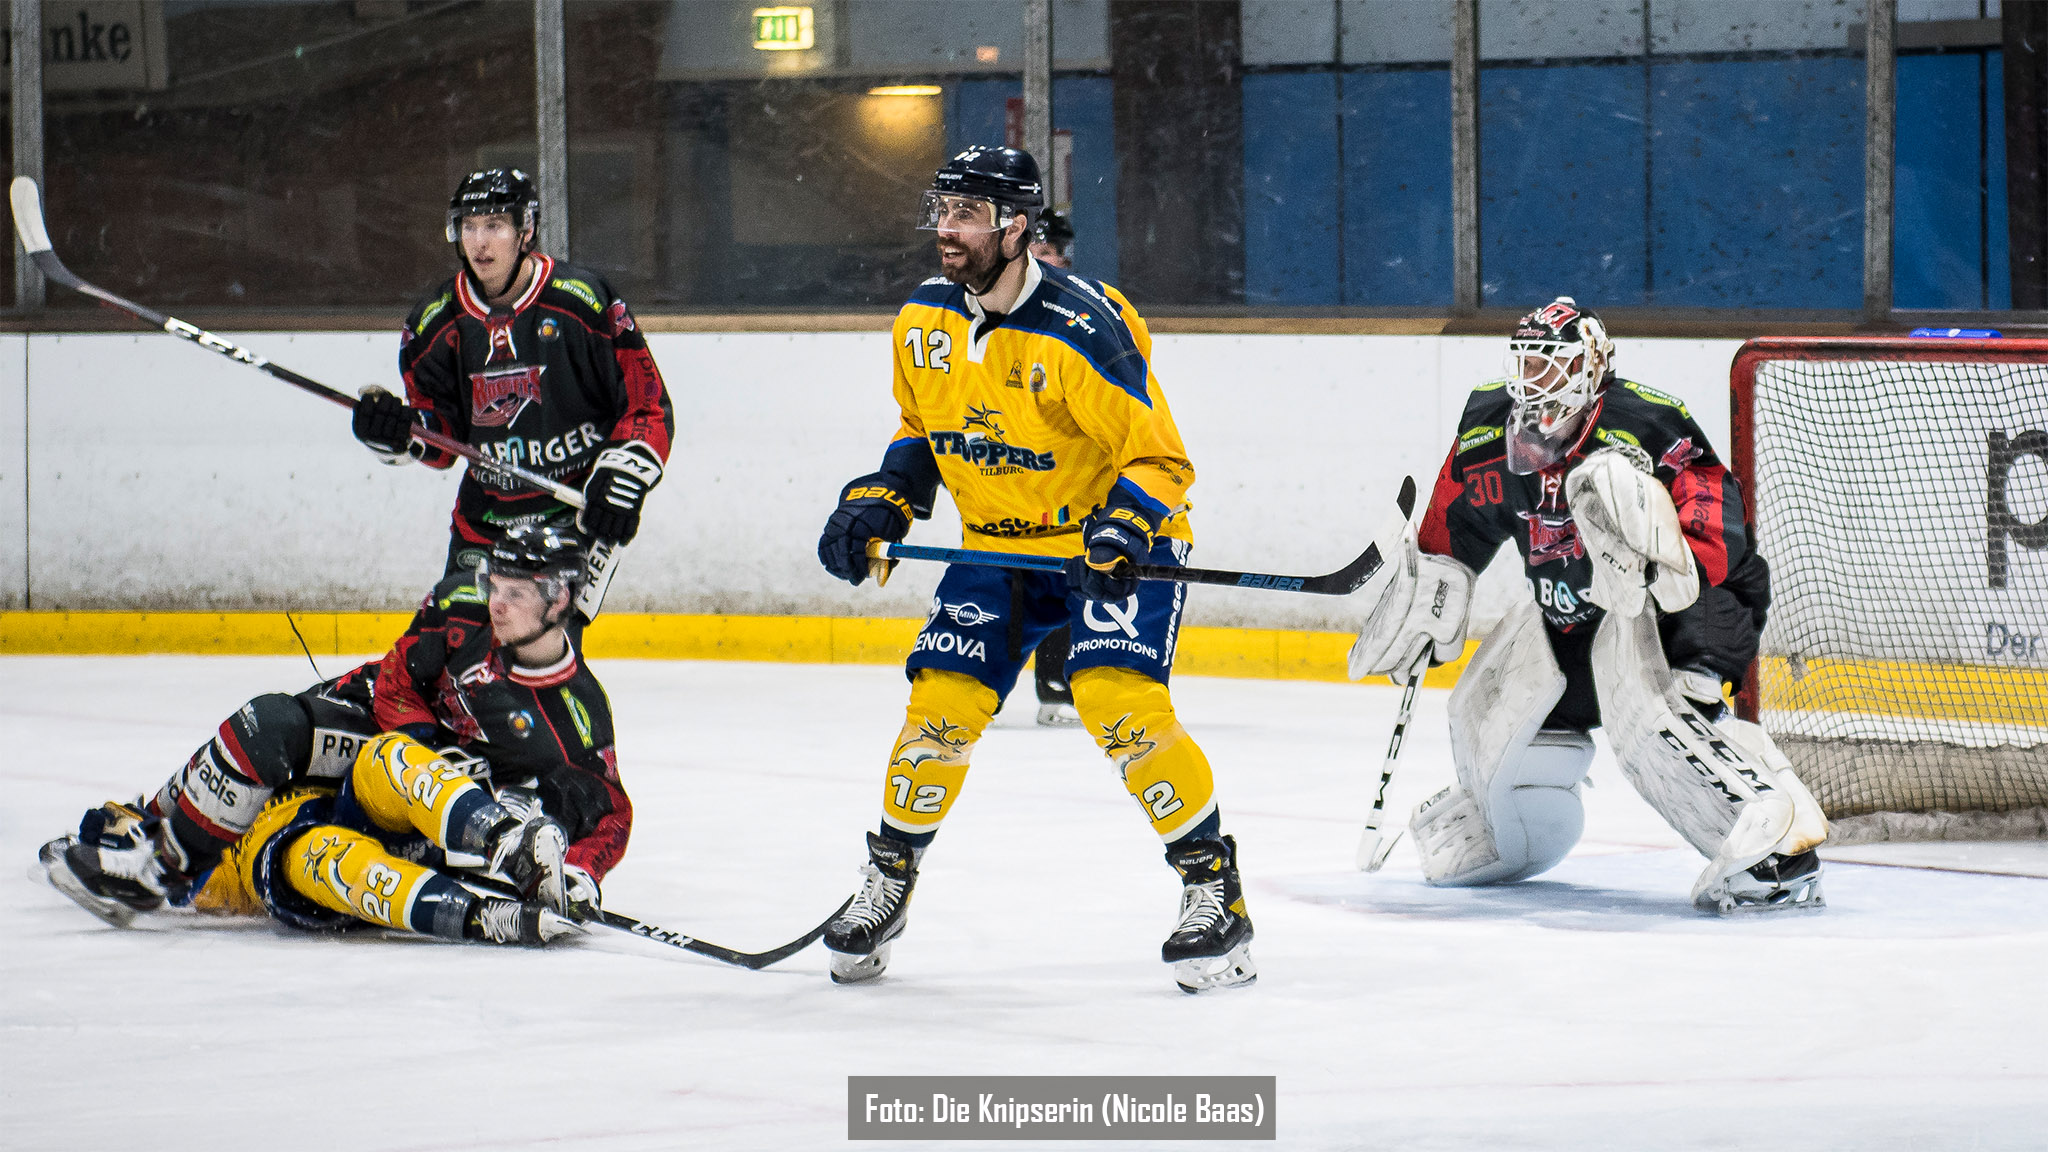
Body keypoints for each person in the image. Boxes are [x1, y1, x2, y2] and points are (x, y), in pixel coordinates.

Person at [814, 146, 1255, 993]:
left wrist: (1122, 533)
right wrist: (882, 500)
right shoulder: (923, 322)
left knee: (1115, 699)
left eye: (966, 214)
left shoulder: (1085, 328)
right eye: (942, 210)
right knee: (939, 704)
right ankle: (890, 882)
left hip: (1110, 545)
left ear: (1015, 227)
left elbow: (1160, 461)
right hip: (998, 548)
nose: (946, 229)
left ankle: (1215, 893)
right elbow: (922, 433)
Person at [1349, 297, 1828, 913]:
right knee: (1486, 708)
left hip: (1686, 606)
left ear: (1594, 363)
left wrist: (1659, 565)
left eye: (1553, 366)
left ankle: (1779, 848)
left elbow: (1716, 526)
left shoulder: (1647, 422)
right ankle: (1513, 830)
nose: (1534, 382)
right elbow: (1452, 526)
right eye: (1527, 364)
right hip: (1575, 616)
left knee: (1654, 715)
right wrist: (1428, 590)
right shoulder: (1489, 428)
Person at [40, 525, 628, 945]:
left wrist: (580, 870)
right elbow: (397, 677)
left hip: (420, 803)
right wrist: (427, 742)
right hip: (380, 732)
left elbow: (610, 813)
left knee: (316, 843)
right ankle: (155, 856)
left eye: (516, 594)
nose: (496, 604)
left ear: (560, 600)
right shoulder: (462, 605)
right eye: (496, 585)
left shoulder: (578, 710)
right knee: (266, 726)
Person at [351, 168, 675, 614]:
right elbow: (442, 439)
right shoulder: (434, 323)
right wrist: (397, 431)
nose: (479, 242)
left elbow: (645, 404)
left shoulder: (581, 302)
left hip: (570, 517)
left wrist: (622, 479)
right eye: (469, 226)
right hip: (484, 522)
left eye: (495, 225)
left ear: (526, 230)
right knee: (451, 641)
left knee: (533, 653)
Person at [1024, 208, 1079, 727]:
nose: (1039, 258)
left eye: (1048, 250)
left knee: (1067, 573)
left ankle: (1059, 685)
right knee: (1006, 574)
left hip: (1069, 473)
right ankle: (975, 675)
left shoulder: (1080, 309)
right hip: (1012, 470)